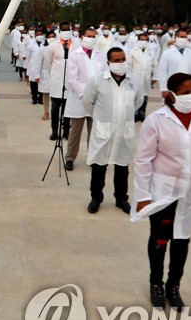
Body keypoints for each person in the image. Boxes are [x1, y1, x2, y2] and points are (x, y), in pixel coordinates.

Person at [131, 73, 191, 312]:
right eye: (184, 92)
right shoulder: (156, 120)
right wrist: (142, 196)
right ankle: (156, 284)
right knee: (160, 238)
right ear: (171, 94)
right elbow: (143, 159)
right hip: (163, 191)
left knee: (182, 240)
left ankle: (174, 285)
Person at [83, 47, 138, 214]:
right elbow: (87, 102)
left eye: (123, 59)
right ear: (108, 63)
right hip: (104, 130)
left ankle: (121, 199)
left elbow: (138, 101)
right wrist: (102, 117)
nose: (120, 63)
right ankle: (96, 198)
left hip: (124, 130)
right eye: (116, 60)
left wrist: (123, 115)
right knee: (99, 166)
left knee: (122, 166)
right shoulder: (98, 80)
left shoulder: (134, 80)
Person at [63, 27, 106, 171]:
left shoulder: (101, 55)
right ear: (82, 37)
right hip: (79, 99)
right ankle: (70, 158)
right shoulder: (75, 55)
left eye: (94, 36)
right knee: (75, 131)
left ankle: (93, 158)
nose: (92, 38)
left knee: (94, 131)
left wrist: (96, 94)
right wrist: (86, 94)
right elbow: (72, 79)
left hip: (97, 99)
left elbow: (105, 76)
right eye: (89, 36)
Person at [45, 23, 75, 140]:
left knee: (68, 108)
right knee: (55, 107)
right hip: (57, 80)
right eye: (64, 29)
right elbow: (48, 64)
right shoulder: (53, 46)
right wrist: (55, 73)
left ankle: (66, 131)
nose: (66, 31)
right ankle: (54, 131)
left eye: (68, 29)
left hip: (71, 81)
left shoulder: (77, 45)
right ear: (60, 31)